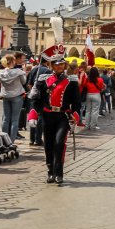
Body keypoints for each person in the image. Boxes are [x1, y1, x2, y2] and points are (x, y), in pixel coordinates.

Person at [27, 53, 81, 184]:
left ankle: (59, 173)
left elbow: (76, 102)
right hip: (47, 115)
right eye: (57, 64)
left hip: (63, 116)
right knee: (48, 145)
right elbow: (37, 100)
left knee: (59, 143)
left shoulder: (72, 80)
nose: (60, 66)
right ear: (51, 65)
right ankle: (50, 172)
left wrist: (75, 116)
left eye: (62, 64)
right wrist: (33, 113)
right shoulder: (43, 79)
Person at [0, 55, 27, 142]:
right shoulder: (18, 71)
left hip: (6, 95)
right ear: (13, 62)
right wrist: (24, 71)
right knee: (14, 119)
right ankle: (12, 140)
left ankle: (4, 140)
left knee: (6, 118)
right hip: (17, 95)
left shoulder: (0, 72)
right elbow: (24, 81)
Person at [25, 57, 51, 146]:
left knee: (33, 116)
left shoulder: (34, 69)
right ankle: (38, 139)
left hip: (34, 96)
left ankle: (32, 139)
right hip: (43, 96)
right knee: (40, 117)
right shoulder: (47, 71)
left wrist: (33, 92)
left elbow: (29, 84)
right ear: (47, 60)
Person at [81, 67, 103, 131]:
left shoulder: (87, 79)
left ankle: (87, 125)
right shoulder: (100, 80)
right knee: (95, 111)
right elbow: (101, 87)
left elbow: (84, 85)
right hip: (96, 95)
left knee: (88, 111)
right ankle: (93, 126)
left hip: (88, 94)